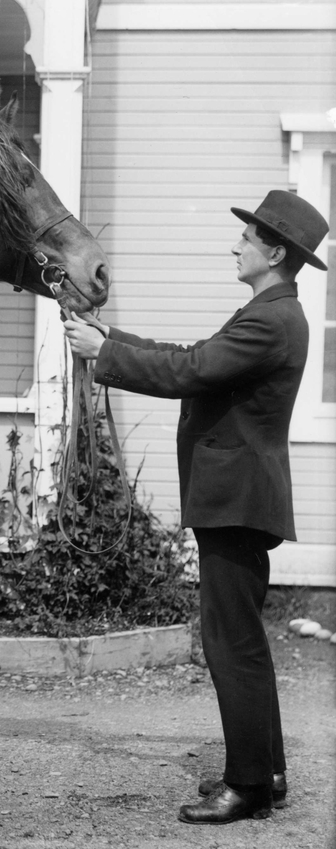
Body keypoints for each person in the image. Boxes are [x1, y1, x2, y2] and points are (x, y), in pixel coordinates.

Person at [63, 190, 329, 825]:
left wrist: (104, 352)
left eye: (247, 238)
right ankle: (264, 771)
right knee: (242, 640)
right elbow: (191, 360)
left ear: (274, 251)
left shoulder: (270, 319)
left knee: (230, 643)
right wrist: (110, 339)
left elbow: (193, 370)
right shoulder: (269, 311)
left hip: (236, 500)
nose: (235, 246)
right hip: (237, 498)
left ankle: (249, 788)